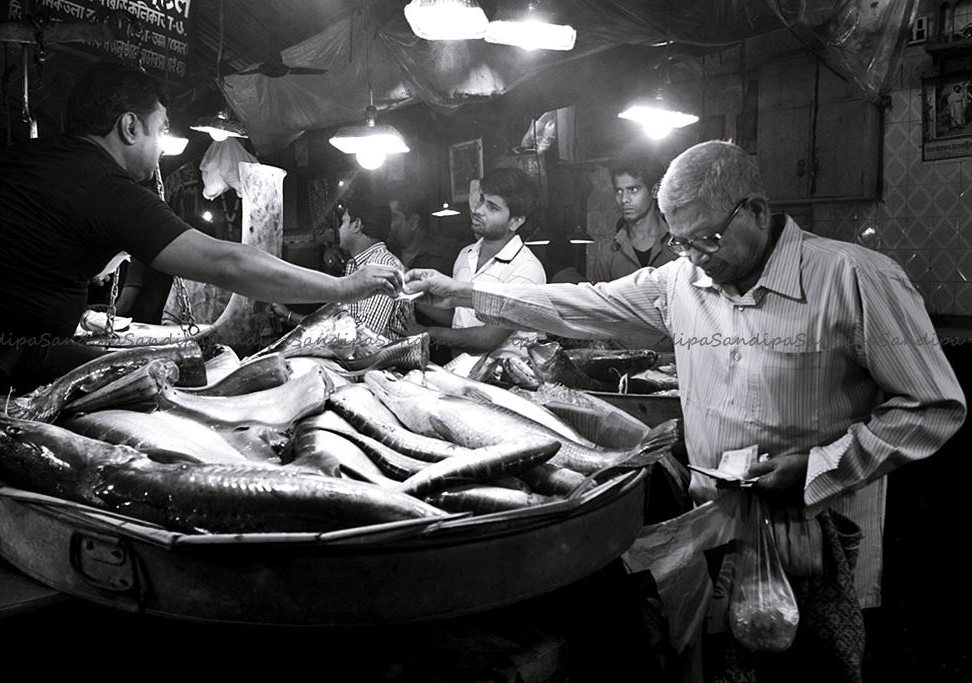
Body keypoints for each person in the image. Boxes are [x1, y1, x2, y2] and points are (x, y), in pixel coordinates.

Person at [405, 140, 966, 680]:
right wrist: (463, 294)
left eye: (708, 239)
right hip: (714, 523)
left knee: (815, 667)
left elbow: (933, 405)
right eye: (680, 242)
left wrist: (819, 467)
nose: (696, 257)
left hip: (817, 531)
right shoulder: (683, 280)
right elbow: (586, 304)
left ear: (757, 211)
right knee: (719, 663)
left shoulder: (856, 278)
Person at [0, 61, 400, 394]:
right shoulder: (105, 185)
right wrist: (343, 287)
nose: (162, 147)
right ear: (129, 126)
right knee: (167, 380)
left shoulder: (27, 160)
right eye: (160, 130)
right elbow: (227, 263)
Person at [393, 167, 545, 357]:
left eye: (492, 207)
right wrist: (411, 295)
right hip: (460, 369)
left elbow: (487, 339)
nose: (478, 210)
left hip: (502, 374)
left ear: (515, 222)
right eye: (481, 200)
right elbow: (459, 318)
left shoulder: (527, 269)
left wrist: (427, 333)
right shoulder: (465, 255)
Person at [589, 156, 677, 283]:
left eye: (633, 190)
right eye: (619, 191)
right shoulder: (607, 256)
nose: (624, 199)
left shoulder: (679, 247)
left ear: (655, 190)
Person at [337, 193, 409, 338]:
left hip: (377, 354)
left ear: (356, 225)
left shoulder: (382, 264)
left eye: (343, 222)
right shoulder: (359, 264)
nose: (339, 230)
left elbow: (366, 335)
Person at [387, 190, 458, 275]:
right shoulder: (385, 253)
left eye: (394, 217)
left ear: (414, 222)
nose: (387, 222)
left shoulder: (448, 255)